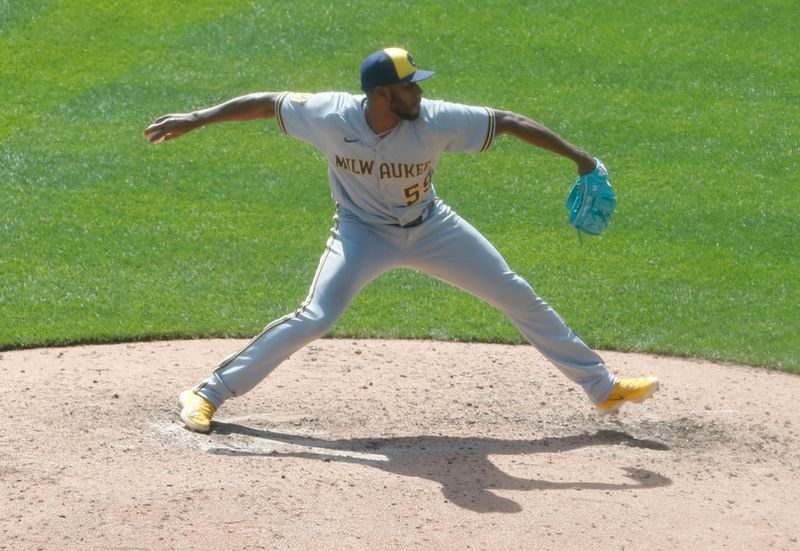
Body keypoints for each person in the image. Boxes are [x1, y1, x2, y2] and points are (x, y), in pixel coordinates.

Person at [144, 47, 659, 434]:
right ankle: (207, 392)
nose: (420, 94)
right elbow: (266, 104)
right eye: (410, 88)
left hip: (433, 228)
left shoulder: (436, 120)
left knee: (514, 292)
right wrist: (199, 118)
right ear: (380, 95)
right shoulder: (329, 114)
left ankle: (602, 388)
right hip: (360, 232)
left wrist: (581, 158)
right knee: (316, 316)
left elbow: (508, 122)